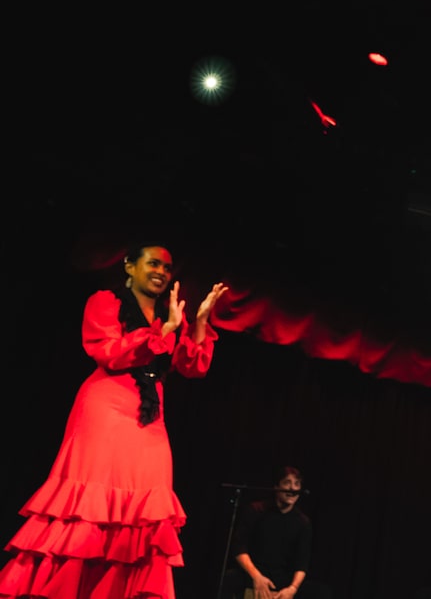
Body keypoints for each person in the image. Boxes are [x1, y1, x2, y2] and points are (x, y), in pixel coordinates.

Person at [0, 242, 227, 598]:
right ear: (129, 266)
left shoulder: (171, 311)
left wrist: (197, 323)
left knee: (147, 510)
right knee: (91, 506)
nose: (161, 273)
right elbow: (108, 352)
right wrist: (162, 331)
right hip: (106, 405)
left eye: (167, 268)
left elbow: (191, 366)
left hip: (150, 413)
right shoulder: (106, 301)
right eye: (153, 264)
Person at [227, 466, 331, 599]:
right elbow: (239, 547)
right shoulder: (256, 510)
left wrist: (292, 589)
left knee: (321, 592)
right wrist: (256, 577)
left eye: (296, 484)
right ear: (276, 487)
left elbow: (302, 563)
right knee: (228, 579)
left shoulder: (303, 522)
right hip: (254, 573)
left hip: (283, 578)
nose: (292, 488)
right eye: (287, 483)